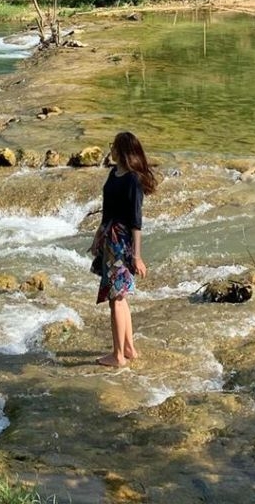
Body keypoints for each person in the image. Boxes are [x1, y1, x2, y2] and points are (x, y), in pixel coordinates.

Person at [90, 130, 157, 367]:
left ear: (122, 150)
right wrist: (98, 236)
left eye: (114, 145)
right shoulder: (114, 174)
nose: (111, 149)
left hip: (123, 242)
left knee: (116, 298)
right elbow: (107, 211)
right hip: (110, 238)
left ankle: (118, 356)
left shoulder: (132, 180)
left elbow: (136, 221)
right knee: (120, 297)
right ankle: (128, 348)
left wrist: (137, 256)